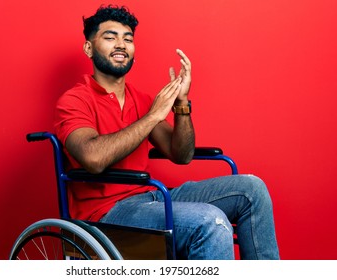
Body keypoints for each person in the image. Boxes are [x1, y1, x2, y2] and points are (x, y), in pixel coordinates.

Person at [54, 4, 279, 259]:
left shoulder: (141, 99)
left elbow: (181, 154)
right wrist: (153, 116)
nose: (121, 44)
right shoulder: (74, 100)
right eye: (110, 37)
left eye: (128, 39)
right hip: (109, 213)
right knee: (210, 221)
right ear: (88, 48)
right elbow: (93, 159)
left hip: (151, 197)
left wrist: (181, 104)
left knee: (252, 190)